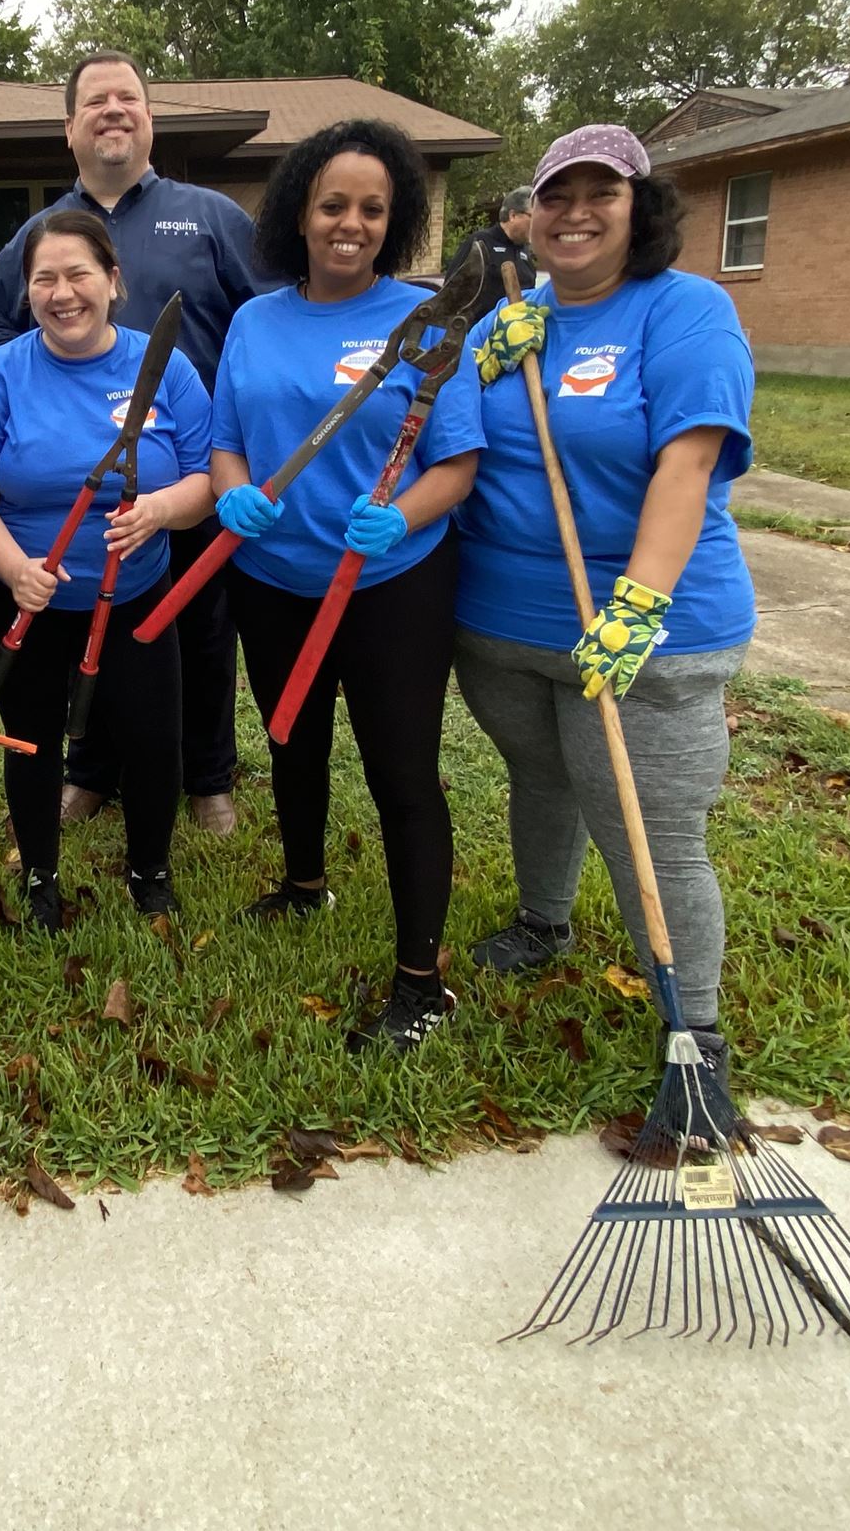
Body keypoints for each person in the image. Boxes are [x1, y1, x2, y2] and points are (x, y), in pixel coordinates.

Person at [451, 123, 755, 1130]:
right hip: (501, 620)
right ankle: (543, 920)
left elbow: (688, 461)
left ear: (639, 209)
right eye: (554, 196)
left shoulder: (683, 312)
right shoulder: (509, 325)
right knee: (545, 776)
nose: (574, 213)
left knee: (650, 827)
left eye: (600, 195)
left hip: (643, 626)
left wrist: (638, 601)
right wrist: (482, 361)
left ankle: (694, 1040)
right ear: (526, 215)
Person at [207, 119, 485, 1048]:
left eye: (373, 208)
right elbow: (225, 439)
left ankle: (419, 983)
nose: (351, 224)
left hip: (391, 584)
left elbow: (456, 466)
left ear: (394, 220)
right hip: (274, 578)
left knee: (400, 771)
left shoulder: (425, 324)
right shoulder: (254, 321)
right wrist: (234, 491)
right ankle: (304, 885)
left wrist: (400, 516)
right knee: (294, 741)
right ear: (300, 213)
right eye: (333, 204)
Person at [0, 49, 260, 836]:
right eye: (95, 101)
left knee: (193, 636)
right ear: (69, 128)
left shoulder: (210, 216)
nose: (113, 110)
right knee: (83, 623)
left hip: (189, 464)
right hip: (82, 483)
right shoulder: (38, 234)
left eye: (127, 97)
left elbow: (267, 322)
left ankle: (206, 775)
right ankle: (91, 771)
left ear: (150, 118)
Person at [0, 211, 214, 929]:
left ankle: (150, 868)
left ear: (113, 281)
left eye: (79, 274)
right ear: (26, 292)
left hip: (134, 592)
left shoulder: (165, 364)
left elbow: (207, 481)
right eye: (45, 279)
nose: (62, 293)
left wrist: (160, 509)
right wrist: (12, 566)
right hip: (18, 593)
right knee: (31, 734)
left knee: (152, 734)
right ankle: (41, 874)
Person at [456, 185, 537, 324]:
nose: (537, 224)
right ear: (513, 215)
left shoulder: (525, 252)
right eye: (533, 216)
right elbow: (453, 294)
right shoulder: (481, 243)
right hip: (476, 337)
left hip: (514, 338)